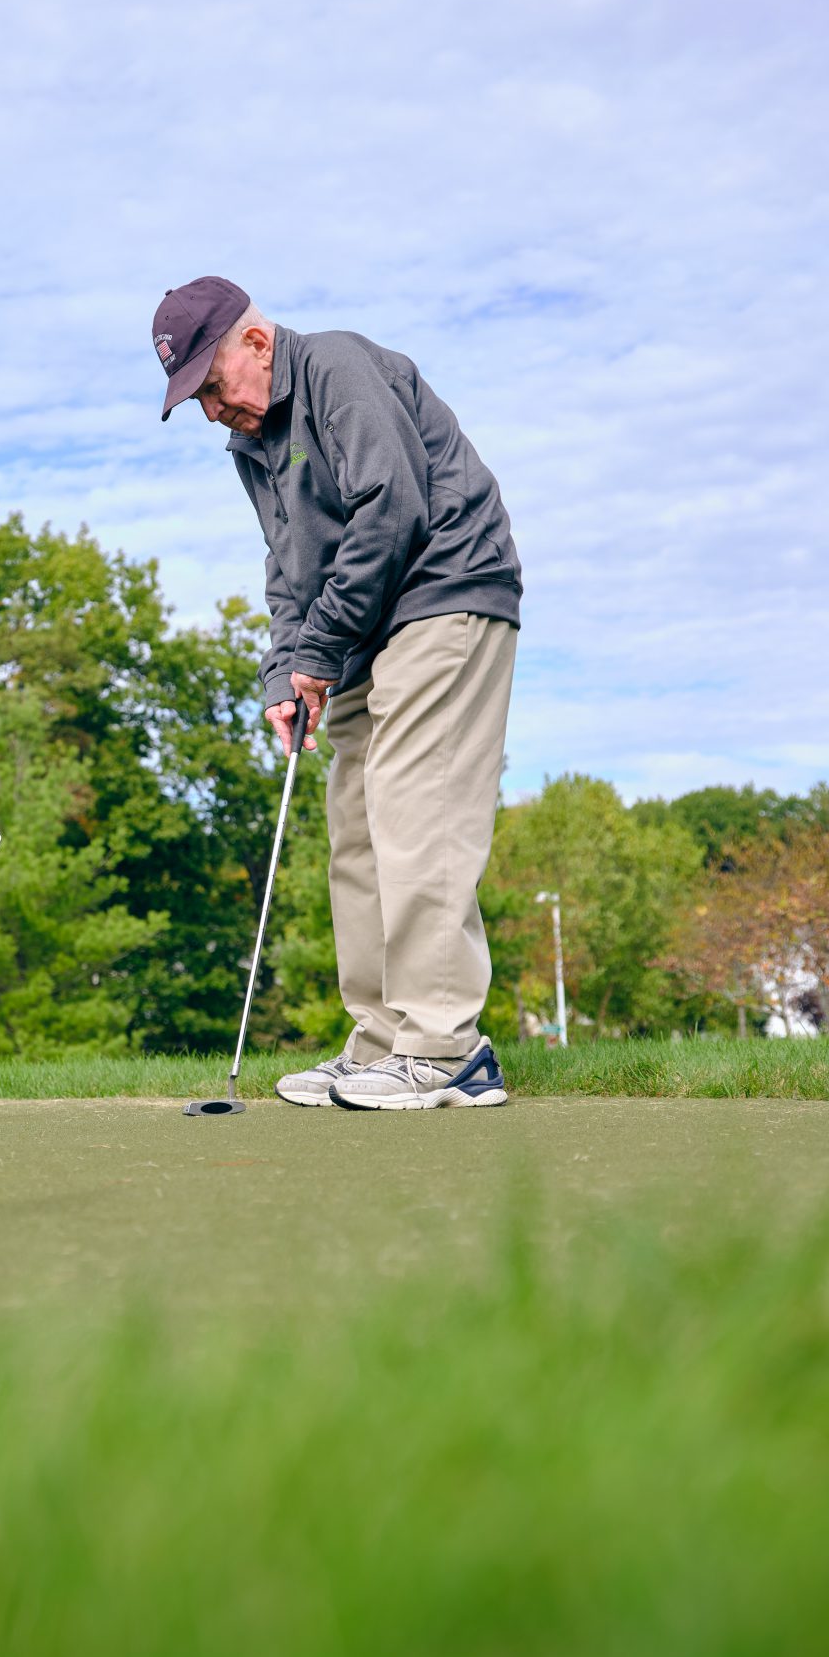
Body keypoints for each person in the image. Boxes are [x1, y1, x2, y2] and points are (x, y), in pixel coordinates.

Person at [152, 276, 522, 1109]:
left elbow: (391, 513)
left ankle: (445, 1048)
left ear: (257, 341)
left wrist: (318, 646)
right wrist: (286, 671)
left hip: (445, 592)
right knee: (354, 829)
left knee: (411, 808)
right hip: (360, 633)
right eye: (195, 400)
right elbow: (291, 574)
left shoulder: (338, 368)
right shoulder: (254, 448)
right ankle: (382, 1041)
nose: (214, 410)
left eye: (212, 385)